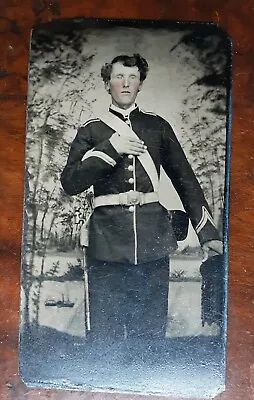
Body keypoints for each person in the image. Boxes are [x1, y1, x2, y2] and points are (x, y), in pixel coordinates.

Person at [60, 53, 223, 341]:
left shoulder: (157, 126)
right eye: (119, 77)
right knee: (105, 335)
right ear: (107, 83)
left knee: (149, 334)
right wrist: (111, 148)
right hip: (106, 244)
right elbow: (71, 183)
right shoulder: (92, 130)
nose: (125, 83)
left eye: (132, 77)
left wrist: (207, 233)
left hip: (153, 242)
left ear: (140, 84)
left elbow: (185, 179)